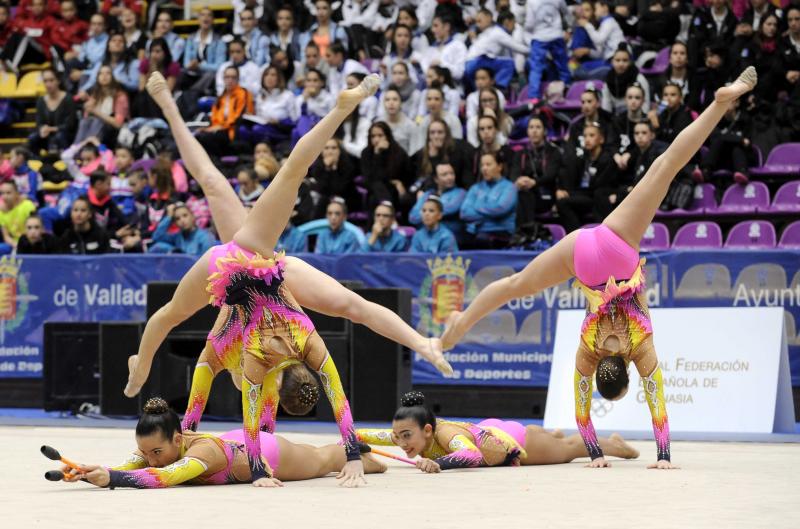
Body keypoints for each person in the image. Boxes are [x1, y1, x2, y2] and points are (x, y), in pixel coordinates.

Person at [441, 67, 758, 470]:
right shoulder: (588, 350)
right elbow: (583, 412)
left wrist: (663, 456)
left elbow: (653, 397)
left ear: (627, 372)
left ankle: (720, 103)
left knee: (666, 166)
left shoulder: (639, 345)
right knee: (516, 283)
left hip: (617, 254)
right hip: (586, 256)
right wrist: (593, 452)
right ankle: (460, 326)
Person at [126, 72, 452, 459]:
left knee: (269, 179)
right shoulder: (251, 366)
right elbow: (242, 424)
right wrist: (142, 367)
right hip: (251, 267)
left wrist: (142, 367)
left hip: (255, 266)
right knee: (238, 183)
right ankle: (421, 342)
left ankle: (336, 110)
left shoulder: (258, 360)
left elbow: (245, 421)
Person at [58, 397, 386, 489]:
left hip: (268, 453)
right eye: (147, 453)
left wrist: (114, 480)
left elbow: (166, 477)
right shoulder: (161, 447)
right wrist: (97, 471)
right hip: (233, 442)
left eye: (156, 452)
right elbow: (136, 463)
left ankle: (359, 452)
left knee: (323, 460)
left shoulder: (200, 453)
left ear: (177, 438)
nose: (152, 460)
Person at [356, 391, 638, 471]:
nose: (401, 443)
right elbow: (369, 435)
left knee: (569, 451)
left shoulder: (445, 436)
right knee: (554, 443)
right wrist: (352, 440)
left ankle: (613, 444)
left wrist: (437, 462)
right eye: (398, 436)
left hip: (509, 441)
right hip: (489, 429)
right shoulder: (411, 434)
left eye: (406, 436)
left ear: (428, 430)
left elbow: (470, 455)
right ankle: (551, 436)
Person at [510, 116, 563, 228]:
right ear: (527, 131)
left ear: (544, 131)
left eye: (538, 127)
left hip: (547, 194)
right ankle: (525, 232)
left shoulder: (554, 151)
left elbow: (551, 175)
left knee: (524, 196)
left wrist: (534, 182)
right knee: (522, 195)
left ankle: (524, 232)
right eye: (531, 127)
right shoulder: (521, 153)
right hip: (526, 193)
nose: (534, 131)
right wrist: (519, 180)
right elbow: (514, 173)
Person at [460, 151, 518, 248]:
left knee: (481, 239)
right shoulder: (475, 188)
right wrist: (490, 213)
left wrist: (477, 207)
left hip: (501, 232)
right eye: (482, 165)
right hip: (476, 231)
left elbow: (500, 209)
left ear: (499, 166)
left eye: (488, 164)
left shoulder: (509, 187)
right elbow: (464, 213)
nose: (484, 168)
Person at [197, 66, 254, 157]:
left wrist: (219, 127)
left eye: (233, 77)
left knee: (208, 138)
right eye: (227, 77)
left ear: (238, 79)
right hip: (217, 129)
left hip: (232, 131)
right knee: (197, 136)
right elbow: (214, 117)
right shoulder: (221, 97)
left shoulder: (243, 93)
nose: (230, 80)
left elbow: (238, 118)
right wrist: (208, 129)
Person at [465, 9, 528, 90]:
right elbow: (517, 47)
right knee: (509, 63)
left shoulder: (486, 33)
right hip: (477, 62)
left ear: (489, 18)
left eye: (480, 21)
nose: (477, 24)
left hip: (468, 65)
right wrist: (533, 51)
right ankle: (498, 88)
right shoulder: (496, 32)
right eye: (476, 22)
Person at [360, 122, 413, 211]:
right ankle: (387, 208)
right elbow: (368, 179)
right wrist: (377, 155)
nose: (376, 140)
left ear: (387, 136)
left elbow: (392, 175)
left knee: (376, 194)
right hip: (375, 190)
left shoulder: (398, 153)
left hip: (395, 191)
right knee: (375, 191)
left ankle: (386, 208)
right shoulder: (366, 153)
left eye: (380, 135)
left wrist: (399, 184)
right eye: (373, 136)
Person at [525, 0, 572, 99]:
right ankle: (568, 91)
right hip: (556, 35)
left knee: (536, 69)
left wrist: (533, 29)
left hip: (540, 37)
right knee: (562, 66)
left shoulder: (531, 1)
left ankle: (533, 97)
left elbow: (529, 24)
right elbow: (567, 13)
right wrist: (569, 29)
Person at [74, 65, 129, 146]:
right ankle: (76, 148)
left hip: (113, 132)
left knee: (98, 121)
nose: (104, 76)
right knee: (84, 122)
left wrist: (95, 111)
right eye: (101, 73)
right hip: (97, 129)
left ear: (113, 77)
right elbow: (87, 117)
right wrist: (87, 106)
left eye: (108, 73)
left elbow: (118, 124)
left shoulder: (120, 96)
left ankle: (89, 149)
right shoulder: (96, 94)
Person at [409, 162, 466, 241]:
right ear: (436, 179)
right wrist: (431, 214)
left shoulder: (460, 193)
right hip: (426, 238)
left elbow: (451, 208)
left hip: (450, 238)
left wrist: (425, 213)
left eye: (452, 173)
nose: (450, 177)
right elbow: (413, 217)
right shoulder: (427, 194)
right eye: (444, 174)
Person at [181, 7, 227, 94]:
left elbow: (220, 66)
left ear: (213, 20)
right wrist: (190, 65)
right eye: (202, 15)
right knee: (180, 73)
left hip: (208, 76)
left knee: (210, 75)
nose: (205, 18)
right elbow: (186, 63)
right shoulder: (191, 38)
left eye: (209, 15)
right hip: (192, 74)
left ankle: (191, 94)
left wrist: (200, 66)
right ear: (198, 19)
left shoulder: (219, 41)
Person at [149, 202, 216, 255]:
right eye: (177, 219)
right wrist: (169, 217)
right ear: (175, 223)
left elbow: (208, 263)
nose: (182, 220)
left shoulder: (205, 237)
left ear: (192, 216)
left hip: (199, 270)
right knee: (159, 246)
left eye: (185, 215)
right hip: (181, 269)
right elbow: (157, 237)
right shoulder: (177, 237)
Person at [601, 44, 650, 114]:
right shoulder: (608, 80)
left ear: (630, 62)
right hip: (617, 120)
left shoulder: (640, 79)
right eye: (617, 60)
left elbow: (646, 104)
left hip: (637, 118)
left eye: (625, 60)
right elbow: (606, 107)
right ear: (612, 62)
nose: (621, 64)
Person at [0, 181, 37, 252]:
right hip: (15, 244)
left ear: (16, 193)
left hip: (30, 241)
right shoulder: (1, 212)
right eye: (2, 193)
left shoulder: (27, 205)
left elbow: (35, 227)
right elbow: (6, 236)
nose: (5, 196)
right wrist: (16, 245)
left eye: (8, 193)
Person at [380, 86, 417, 154]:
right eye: (387, 100)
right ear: (383, 104)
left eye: (395, 99)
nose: (391, 103)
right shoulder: (378, 124)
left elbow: (413, 152)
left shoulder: (411, 126)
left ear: (401, 103)